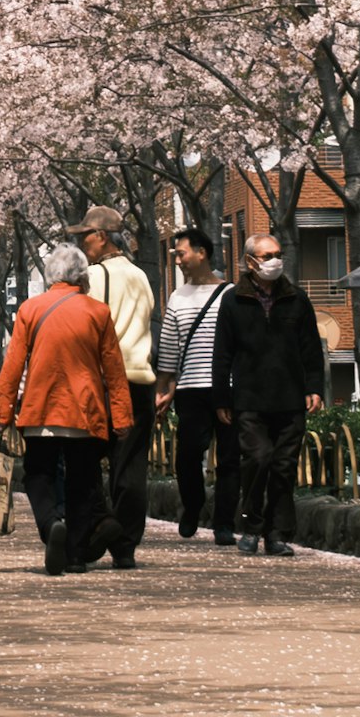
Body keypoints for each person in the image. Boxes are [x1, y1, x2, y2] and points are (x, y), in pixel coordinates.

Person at [0, 243, 130, 574]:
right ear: (82, 275)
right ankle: (74, 555)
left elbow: (13, 364)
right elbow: (113, 369)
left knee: (39, 474)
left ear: (50, 275)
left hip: (41, 407)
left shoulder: (30, 309)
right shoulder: (98, 312)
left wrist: (3, 412)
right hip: (85, 410)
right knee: (83, 482)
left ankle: (49, 524)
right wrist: (123, 416)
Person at [217, 232, 325, 554]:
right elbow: (222, 353)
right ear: (250, 262)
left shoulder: (297, 299)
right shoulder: (233, 300)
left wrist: (314, 388)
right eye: (266, 256)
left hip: (290, 399)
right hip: (249, 399)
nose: (274, 261)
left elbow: (311, 348)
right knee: (258, 459)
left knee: (283, 466)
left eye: (277, 254)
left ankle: (277, 534)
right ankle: (250, 526)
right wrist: (222, 398)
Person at [79, 205, 161, 565]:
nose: (82, 244)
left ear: (101, 236)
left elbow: (85, 324)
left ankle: (100, 524)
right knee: (131, 466)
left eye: (85, 236)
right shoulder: (141, 276)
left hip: (104, 379)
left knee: (84, 460)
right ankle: (126, 545)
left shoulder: (96, 277)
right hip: (140, 378)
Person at [160, 230, 230, 541]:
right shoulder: (177, 297)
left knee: (230, 457)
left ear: (202, 253)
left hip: (227, 387)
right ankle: (193, 506)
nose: (177, 260)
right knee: (187, 455)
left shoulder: (231, 294)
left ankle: (225, 523)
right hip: (189, 389)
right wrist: (164, 389)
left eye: (181, 253)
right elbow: (169, 349)